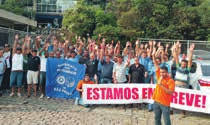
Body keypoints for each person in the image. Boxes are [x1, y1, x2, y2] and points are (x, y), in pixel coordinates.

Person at [152, 47, 175, 125]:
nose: (162, 74)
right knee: (157, 119)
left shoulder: (170, 81)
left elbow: (171, 92)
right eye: (161, 72)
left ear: (167, 72)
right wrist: (153, 55)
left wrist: (161, 85)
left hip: (165, 103)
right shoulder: (159, 76)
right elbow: (155, 64)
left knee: (167, 121)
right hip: (156, 101)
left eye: (163, 72)